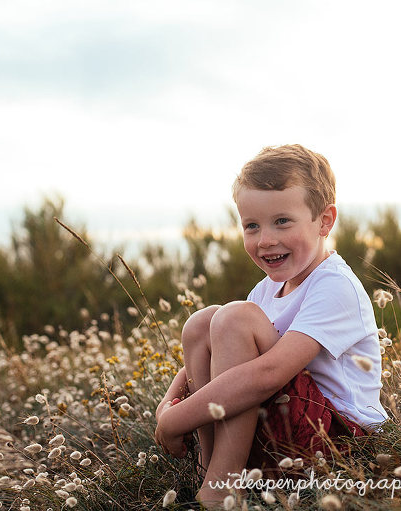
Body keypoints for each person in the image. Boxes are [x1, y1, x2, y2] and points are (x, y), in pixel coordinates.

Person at [154, 144, 387, 506]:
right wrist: (167, 406)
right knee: (203, 322)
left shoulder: (335, 286)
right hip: (282, 427)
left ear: (324, 220)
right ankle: (210, 468)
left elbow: (268, 374)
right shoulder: (267, 289)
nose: (265, 240)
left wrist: (176, 421)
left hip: (335, 442)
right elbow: (224, 360)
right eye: (251, 225)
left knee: (233, 318)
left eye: (282, 221)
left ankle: (219, 491)